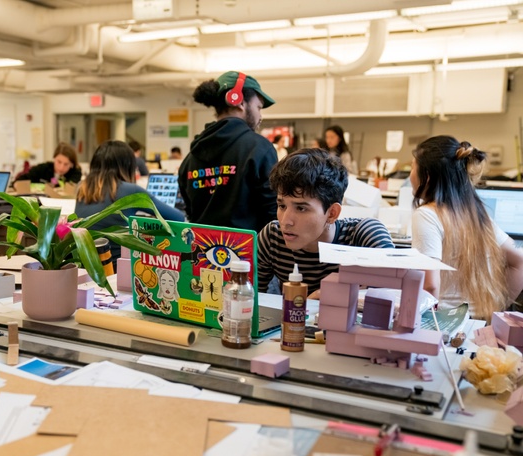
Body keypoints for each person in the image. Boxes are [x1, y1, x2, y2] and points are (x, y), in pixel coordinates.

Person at [410, 135, 523, 320]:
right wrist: (496, 310)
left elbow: (430, 286)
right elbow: (520, 260)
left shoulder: (427, 215)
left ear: (427, 176)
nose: (410, 175)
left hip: (444, 327)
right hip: (477, 329)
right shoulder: (477, 214)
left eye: (412, 167)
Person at [257, 148, 394, 295]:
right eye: (282, 206)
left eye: (301, 208)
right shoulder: (272, 237)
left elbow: (395, 292)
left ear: (332, 213)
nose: (285, 221)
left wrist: (329, 295)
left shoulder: (364, 234)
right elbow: (247, 296)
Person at [178, 71, 277, 232]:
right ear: (238, 101)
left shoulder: (190, 157)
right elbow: (274, 212)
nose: (260, 116)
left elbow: (190, 212)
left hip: (201, 251)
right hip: (248, 253)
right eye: (258, 107)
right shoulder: (260, 148)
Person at [75, 140, 184, 261]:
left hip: (86, 266)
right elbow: (178, 218)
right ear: (128, 166)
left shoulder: (82, 188)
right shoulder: (130, 190)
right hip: (116, 269)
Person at [17, 142, 82, 185]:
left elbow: (69, 187)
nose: (61, 167)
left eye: (66, 164)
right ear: (54, 158)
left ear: (71, 164)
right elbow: (21, 180)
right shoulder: (43, 168)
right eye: (59, 162)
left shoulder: (75, 173)